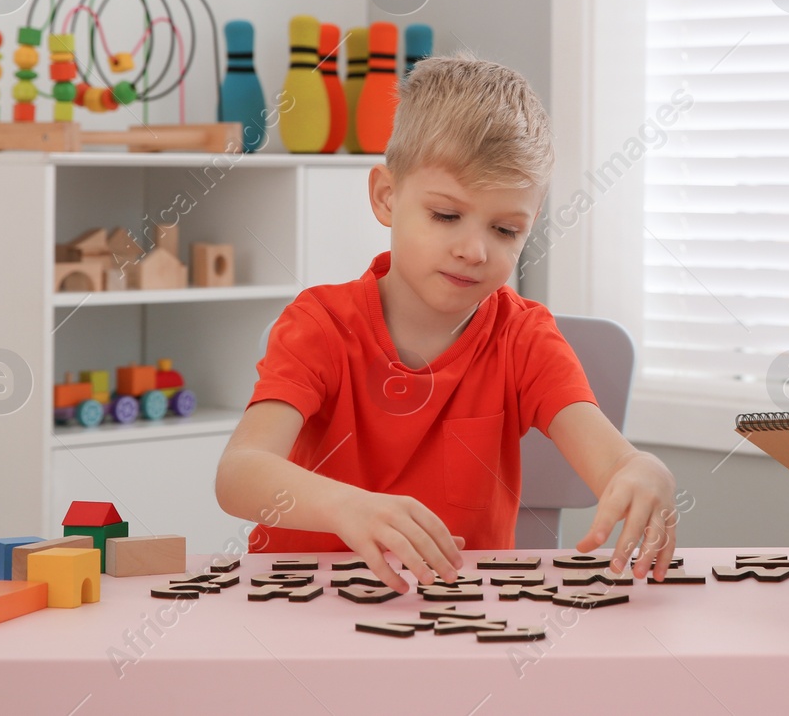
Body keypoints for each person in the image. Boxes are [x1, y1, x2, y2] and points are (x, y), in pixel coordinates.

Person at [216, 55, 678, 592]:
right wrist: (346, 507)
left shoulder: (524, 338)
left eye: (505, 230)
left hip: (457, 616)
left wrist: (641, 469)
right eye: (446, 216)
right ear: (387, 197)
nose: (473, 250)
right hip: (301, 606)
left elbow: (610, 458)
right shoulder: (319, 324)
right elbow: (239, 474)